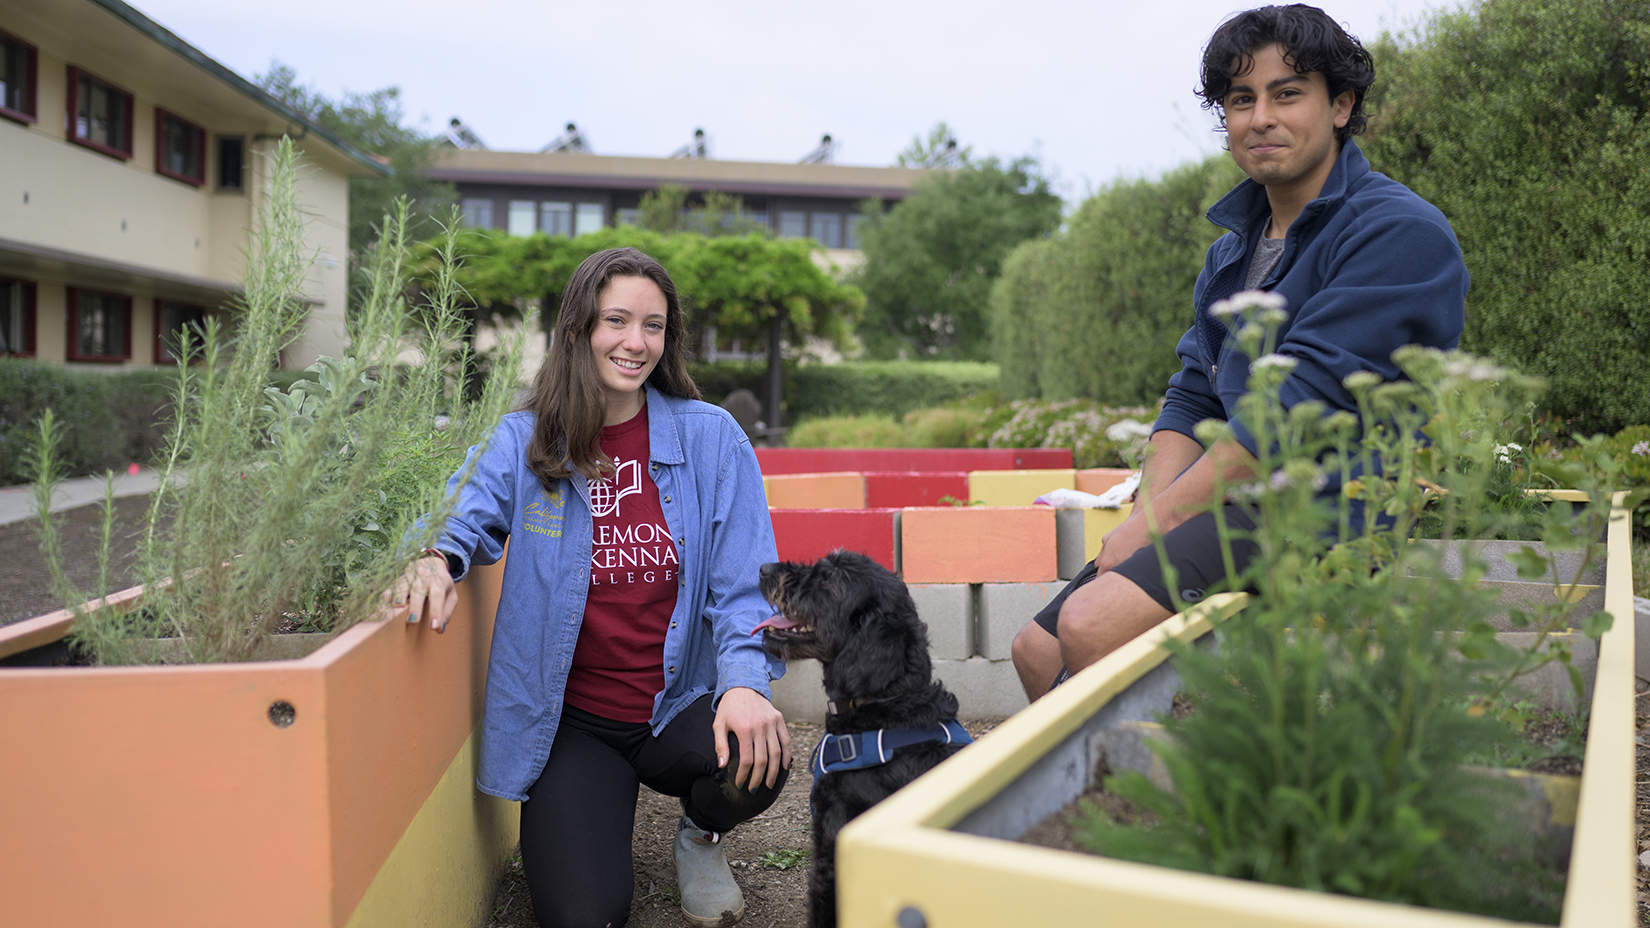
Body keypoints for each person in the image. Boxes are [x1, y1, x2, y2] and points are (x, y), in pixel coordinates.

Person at [1011, 3, 1469, 700]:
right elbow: (1194, 393)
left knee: (1092, 622)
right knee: (1035, 649)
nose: (1260, 117)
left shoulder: (1397, 231)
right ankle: (1104, 795)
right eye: (1240, 99)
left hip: (1328, 501)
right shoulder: (1233, 251)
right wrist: (1144, 520)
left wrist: (1158, 525)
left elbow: (1287, 419)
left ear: (1341, 105)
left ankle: (1166, 803)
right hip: (1238, 499)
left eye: (1288, 93)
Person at [390, 247, 791, 928]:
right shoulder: (525, 442)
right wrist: (432, 555)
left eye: (654, 326)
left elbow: (745, 587)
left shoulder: (712, 440)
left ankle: (700, 831)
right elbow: (460, 512)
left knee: (760, 757)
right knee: (583, 917)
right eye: (617, 321)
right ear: (578, 329)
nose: (636, 342)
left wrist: (747, 684)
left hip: (678, 703)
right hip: (575, 725)